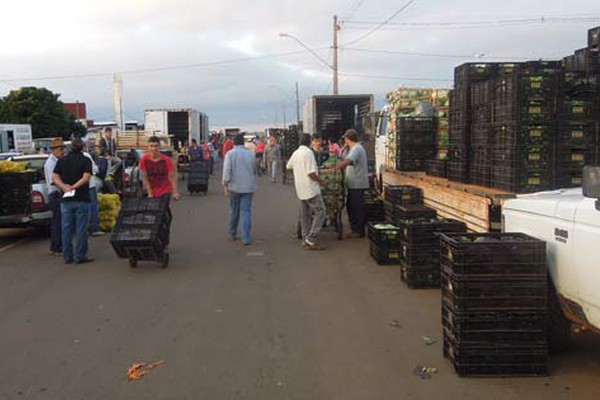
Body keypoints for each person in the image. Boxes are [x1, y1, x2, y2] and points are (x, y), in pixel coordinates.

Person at [52, 138, 94, 264]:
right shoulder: (85, 160)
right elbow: (86, 178)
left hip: (66, 199)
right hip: (82, 198)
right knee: (81, 228)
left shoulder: (62, 161)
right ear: (83, 148)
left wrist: (64, 187)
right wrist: (74, 186)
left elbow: (54, 177)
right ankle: (80, 255)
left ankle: (67, 256)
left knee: (66, 228)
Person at [286, 134, 327, 250]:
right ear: (310, 142)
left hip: (300, 189)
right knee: (321, 212)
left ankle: (305, 239)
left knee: (305, 215)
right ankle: (311, 238)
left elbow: (288, 166)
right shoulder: (308, 153)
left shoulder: (296, 153)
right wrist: (321, 181)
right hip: (310, 189)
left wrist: (299, 169)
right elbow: (311, 173)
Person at [139, 136, 180, 250]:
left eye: (156, 146)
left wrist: (175, 192)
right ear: (148, 147)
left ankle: (164, 242)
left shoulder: (166, 160)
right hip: (152, 191)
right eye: (151, 146)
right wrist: (150, 193)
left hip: (164, 191)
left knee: (162, 217)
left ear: (159, 147)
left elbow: (172, 177)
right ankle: (153, 239)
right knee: (152, 217)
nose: (154, 148)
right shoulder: (144, 160)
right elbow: (144, 177)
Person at [222, 134, 257, 245]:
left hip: (234, 187)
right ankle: (246, 237)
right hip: (248, 187)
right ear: (243, 142)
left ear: (234, 143)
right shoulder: (251, 154)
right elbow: (255, 170)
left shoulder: (230, 154)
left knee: (234, 211)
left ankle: (232, 233)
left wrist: (225, 185)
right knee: (246, 212)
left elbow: (227, 171)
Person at [333, 129, 369, 238]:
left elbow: (347, 161)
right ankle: (355, 229)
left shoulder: (357, 149)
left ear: (348, 139)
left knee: (356, 208)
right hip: (353, 184)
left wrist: (337, 166)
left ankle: (358, 231)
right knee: (350, 207)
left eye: (345, 139)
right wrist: (343, 148)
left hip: (358, 184)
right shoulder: (351, 149)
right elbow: (341, 157)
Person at [44, 138, 65, 256]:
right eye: (60, 149)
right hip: (55, 194)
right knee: (58, 222)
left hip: (57, 193)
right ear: (54, 150)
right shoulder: (51, 163)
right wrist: (65, 186)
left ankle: (54, 246)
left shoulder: (57, 161)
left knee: (57, 221)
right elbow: (54, 180)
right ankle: (57, 247)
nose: (62, 152)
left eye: (63, 149)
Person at [83, 150, 105, 237]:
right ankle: (95, 229)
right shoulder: (86, 156)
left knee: (83, 208)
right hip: (90, 185)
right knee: (93, 206)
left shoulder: (71, 157)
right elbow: (95, 169)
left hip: (79, 186)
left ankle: (84, 229)